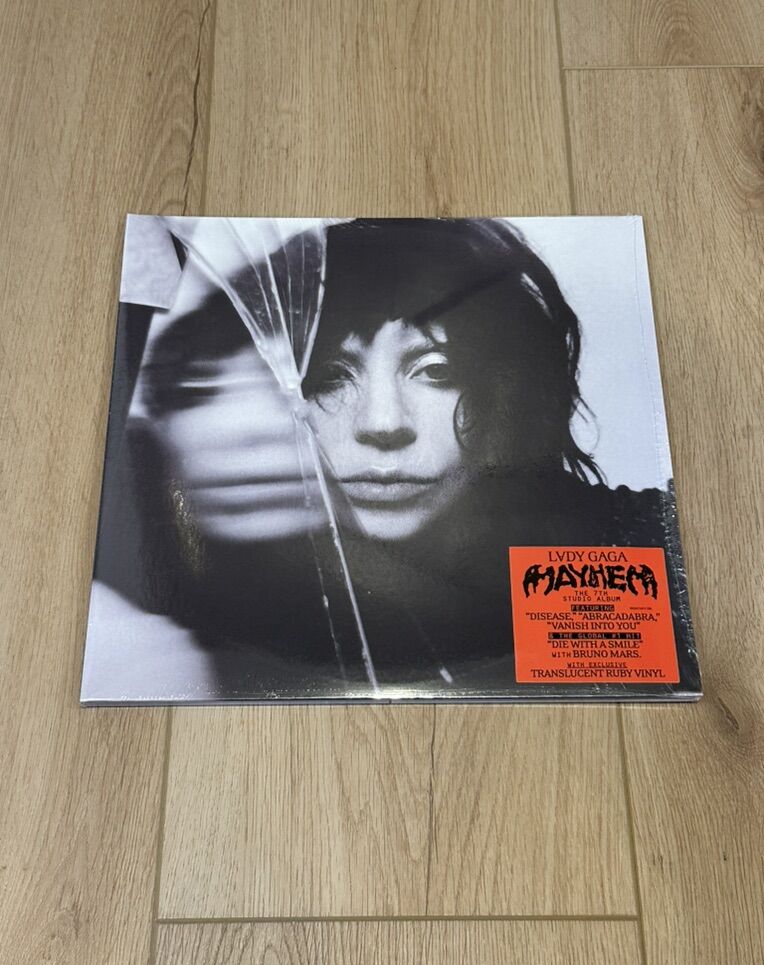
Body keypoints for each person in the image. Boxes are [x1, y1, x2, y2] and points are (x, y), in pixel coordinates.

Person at [86, 218, 696, 700]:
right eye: (327, 375)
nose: (382, 424)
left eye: (437, 371)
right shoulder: (191, 586)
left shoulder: (647, 549)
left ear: (507, 392)